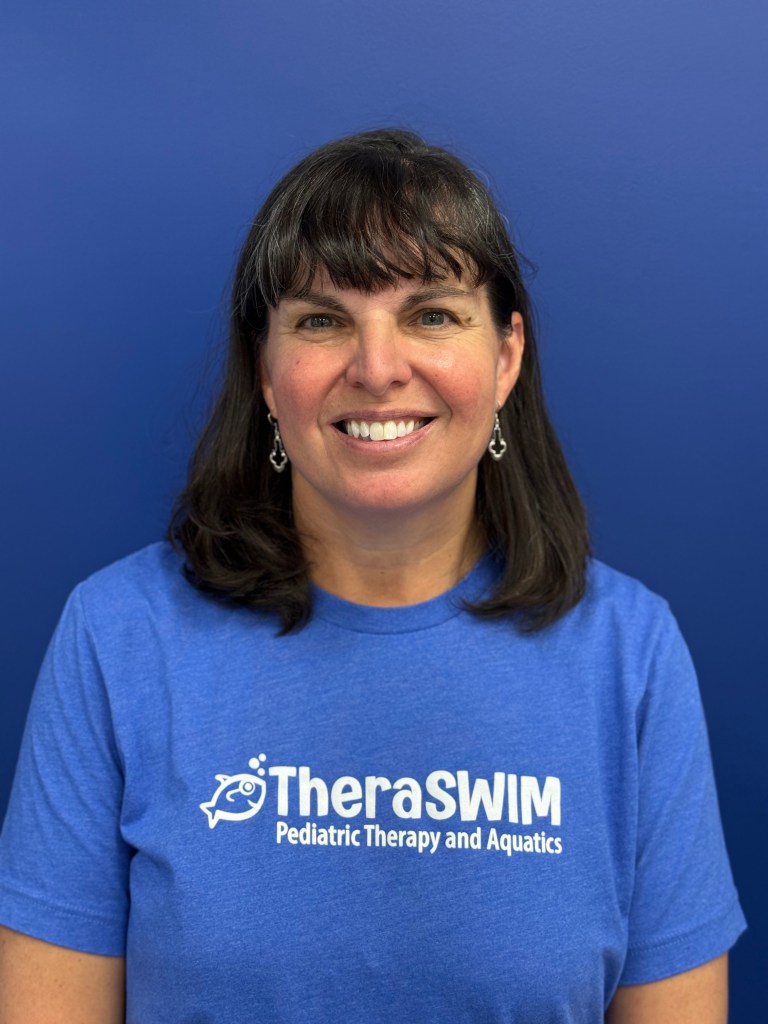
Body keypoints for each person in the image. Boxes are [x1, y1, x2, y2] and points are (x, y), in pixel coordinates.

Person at [0, 128, 745, 1023]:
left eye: (432, 315)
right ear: (267, 372)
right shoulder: (117, 637)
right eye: (322, 320)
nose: (378, 369)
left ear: (506, 357)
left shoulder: (630, 655)